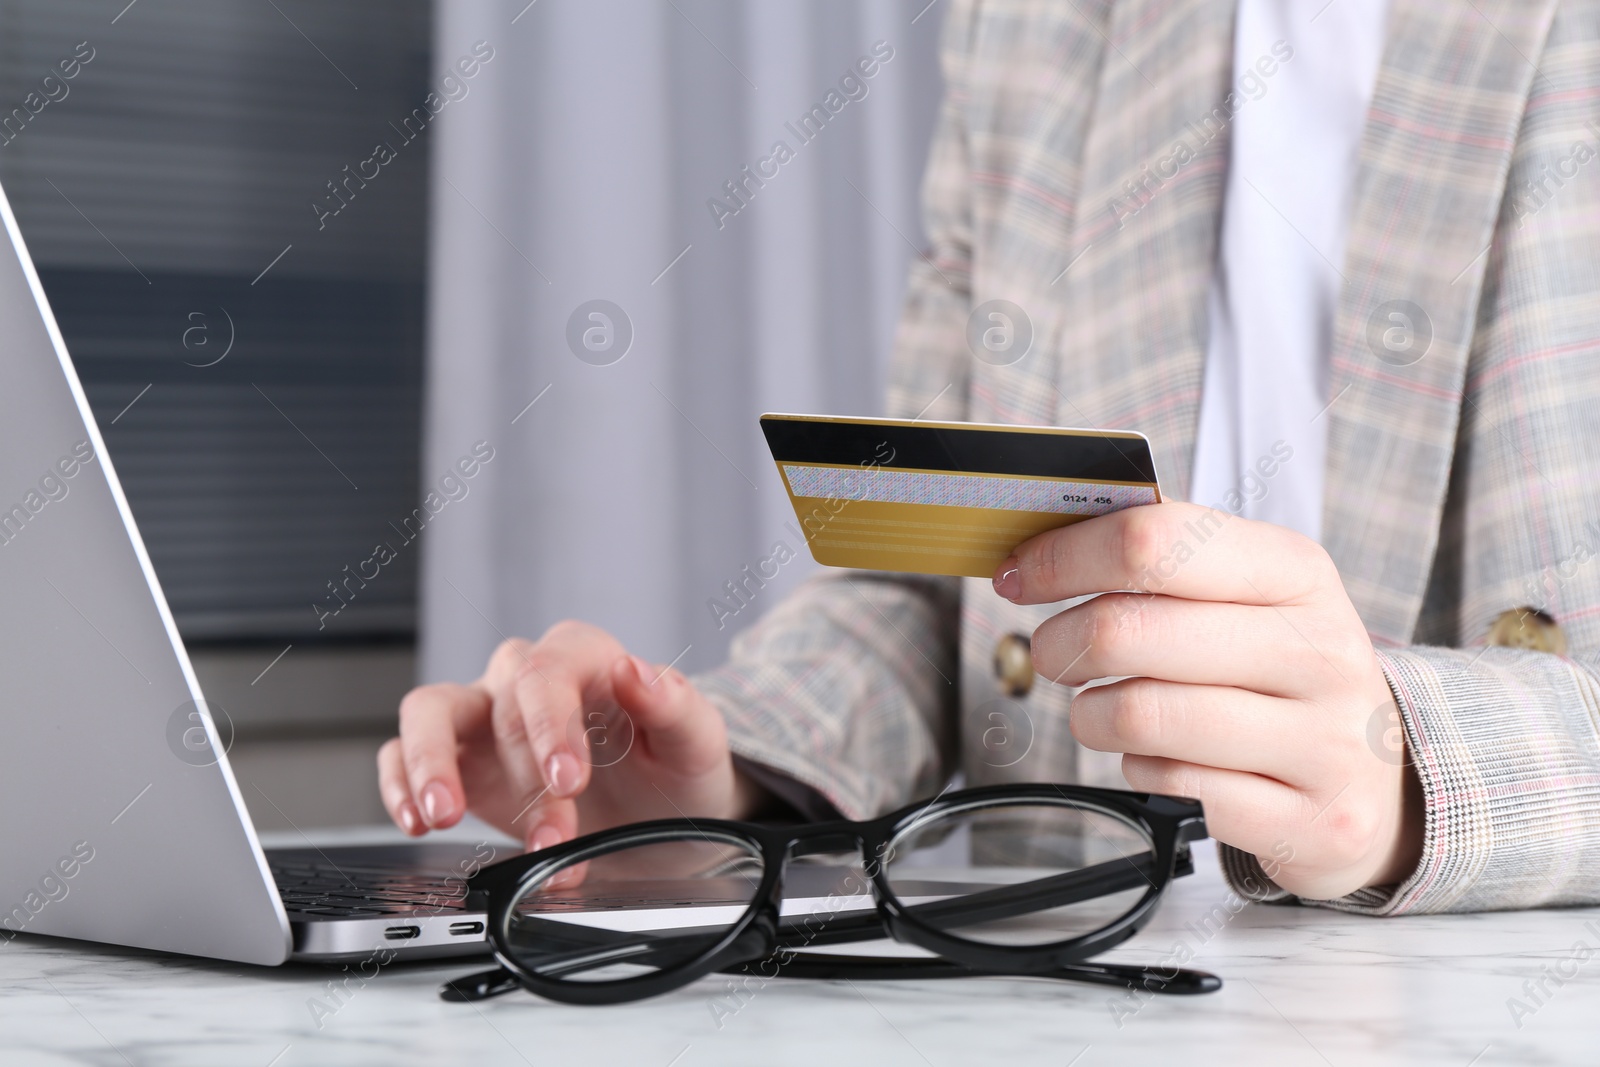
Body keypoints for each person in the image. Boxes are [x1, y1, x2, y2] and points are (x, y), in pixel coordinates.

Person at [378, 0, 1600, 914]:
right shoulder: (1023, 20)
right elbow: (949, 586)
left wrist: (1423, 768)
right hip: (1070, 990)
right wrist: (727, 774)